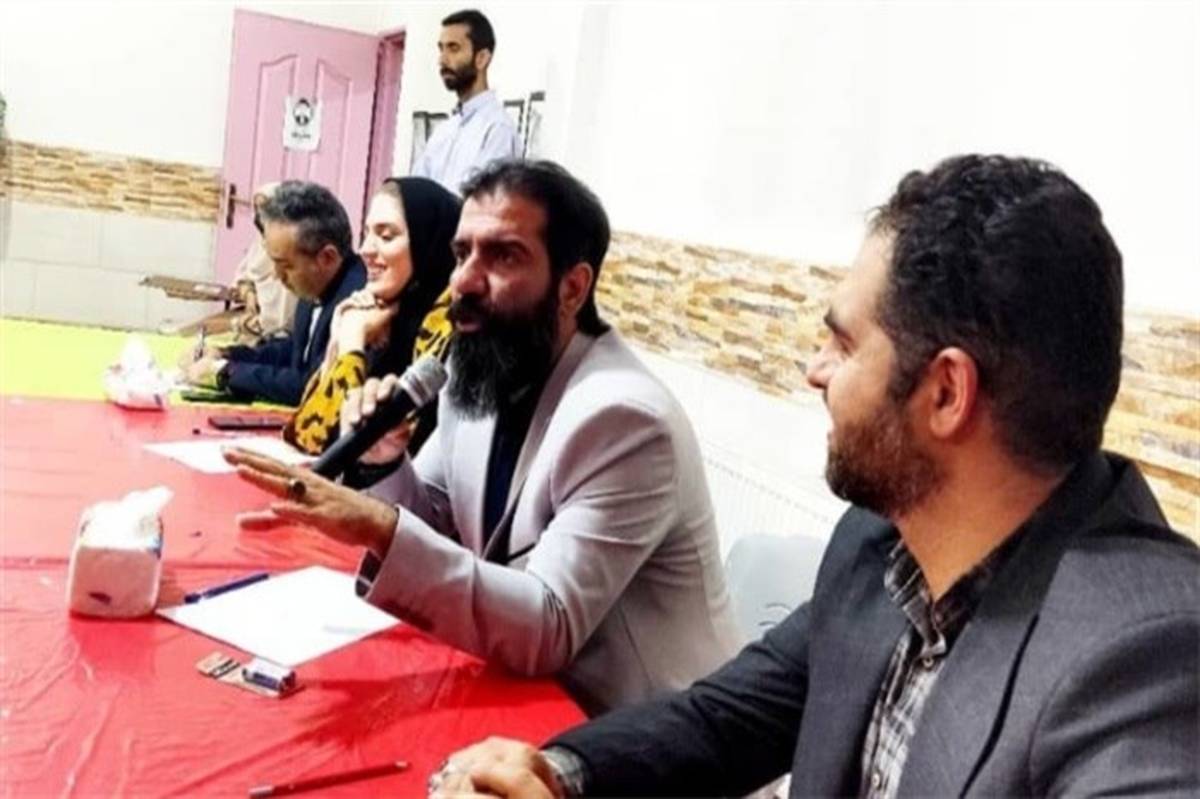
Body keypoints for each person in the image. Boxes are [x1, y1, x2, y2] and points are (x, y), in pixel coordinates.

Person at [426, 155, 1200, 798]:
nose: (814, 370)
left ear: (945, 393)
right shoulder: (881, 542)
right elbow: (726, 719)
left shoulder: (1146, 659)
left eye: (843, 343)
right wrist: (558, 772)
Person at [224, 160, 741, 717]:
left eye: (503, 256)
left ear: (572, 287)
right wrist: (382, 461)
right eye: (462, 253)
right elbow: (436, 520)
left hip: (638, 728)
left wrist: (378, 527)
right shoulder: (488, 367)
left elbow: (548, 626)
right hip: (517, 689)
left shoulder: (624, 419)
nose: (463, 282)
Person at [283, 177, 459, 456]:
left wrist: (351, 342)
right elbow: (305, 432)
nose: (365, 249)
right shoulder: (384, 315)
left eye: (386, 236)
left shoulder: (450, 326)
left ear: (427, 244)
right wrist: (343, 333)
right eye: (367, 233)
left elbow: (343, 447)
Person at [180, 180, 366, 406]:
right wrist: (227, 355)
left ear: (327, 258)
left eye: (285, 265)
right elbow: (296, 352)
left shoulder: (357, 303)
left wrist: (226, 372)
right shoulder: (317, 286)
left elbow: (311, 385)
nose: (277, 275)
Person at [413, 9, 522, 194]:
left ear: (482, 58)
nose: (442, 60)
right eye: (441, 49)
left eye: (453, 48)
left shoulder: (497, 129)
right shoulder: (444, 131)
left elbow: (487, 203)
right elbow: (417, 191)